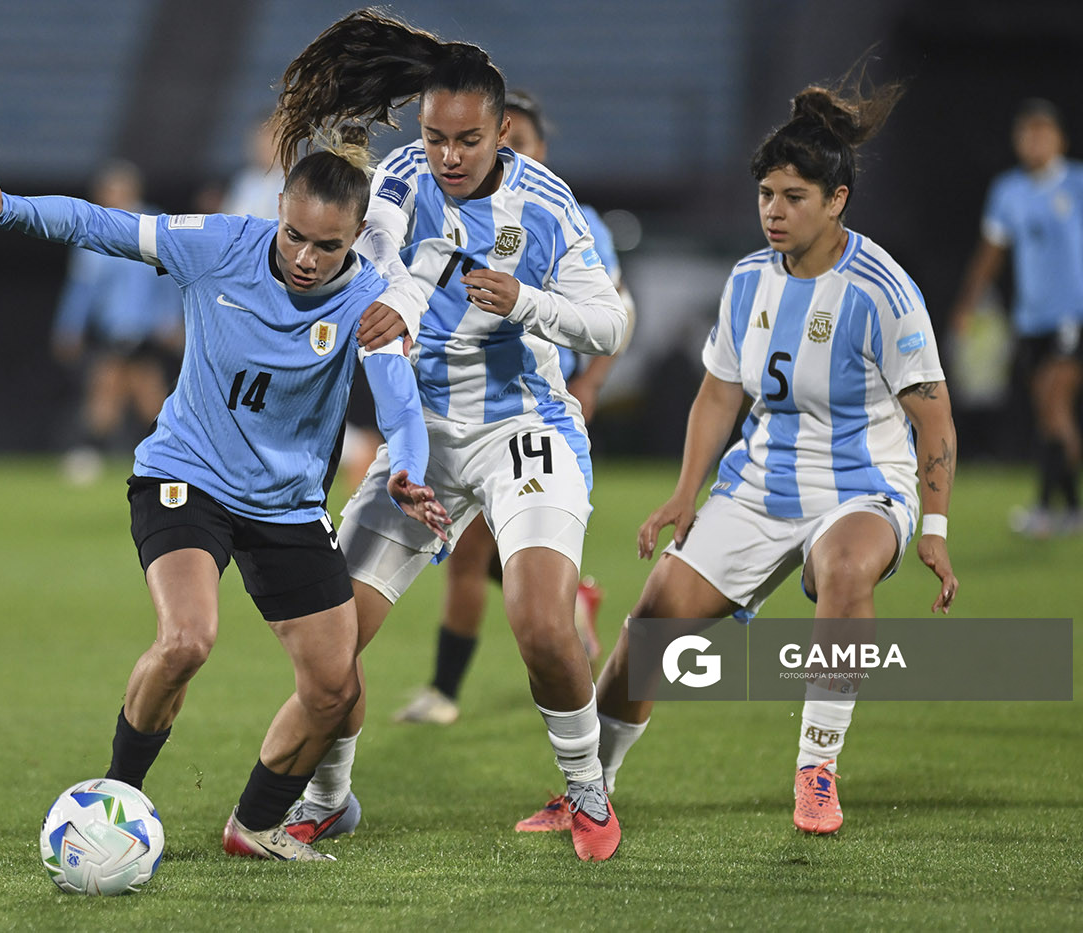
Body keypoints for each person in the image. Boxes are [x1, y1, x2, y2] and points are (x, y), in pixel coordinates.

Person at [0, 127, 449, 863]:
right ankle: (114, 802)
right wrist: (6, 208)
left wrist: (406, 464)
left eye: (328, 246)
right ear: (277, 209)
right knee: (186, 640)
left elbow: (401, 402)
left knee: (336, 688)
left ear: (354, 239)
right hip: (189, 476)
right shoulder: (219, 243)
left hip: (286, 504)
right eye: (295, 235)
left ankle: (255, 823)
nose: (307, 258)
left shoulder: (371, 300)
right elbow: (103, 226)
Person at [516, 68, 960, 841]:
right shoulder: (748, 279)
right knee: (652, 622)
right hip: (757, 487)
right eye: (766, 196)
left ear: (837, 200)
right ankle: (592, 791)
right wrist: (688, 493)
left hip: (861, 487)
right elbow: (719, 394)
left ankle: (817, 771)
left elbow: (936, 417)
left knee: (847, 569)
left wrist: (936, 526)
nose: (774, 213)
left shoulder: (882, 289)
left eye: (793, 197)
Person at [265, 9, 630, 861]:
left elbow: (609, 325)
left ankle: (588, 796)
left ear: (503, 130)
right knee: (335, 642)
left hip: (522, 426)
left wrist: (528, 302)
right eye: (434, 136)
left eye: (467, 139)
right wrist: (402, 293)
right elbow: (395, 254)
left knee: (542, 624)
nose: (448, 155)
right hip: (419, 433)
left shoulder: (545, 203)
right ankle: (330, 799)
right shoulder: (398, 177)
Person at [392, 88, 638, 726]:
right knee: (474, 557)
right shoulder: (429, 200)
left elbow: (616, 313)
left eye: (517, 144)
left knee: (500, 571)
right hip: (455, 408)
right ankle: (448, 688)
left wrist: (589, 387)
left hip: (533, 409)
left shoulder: (567, 217)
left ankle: (565, 748)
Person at [951, 99, 1083, 537]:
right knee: (1048, 414)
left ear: (1060, 139)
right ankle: (1071, 510)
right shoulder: (1008, 192)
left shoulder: (1077, 184)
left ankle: (1047, 509)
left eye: (1043, 132)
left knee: (1053, 401)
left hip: (1073, 318)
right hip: (1031, 321)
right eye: (1027, 133)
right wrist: (968, 304)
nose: (1035, 141)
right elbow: (991, 254)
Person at [50, 160, 184, 484]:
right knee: (117, 392)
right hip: (115, 330)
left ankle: (92, 455)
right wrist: (70, 325)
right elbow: (82, 287)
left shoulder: (151, 224)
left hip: (149, 329)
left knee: (132, 394)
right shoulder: (94, 230)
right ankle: (165, 457)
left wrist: (172, 318)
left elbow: (169, 276)